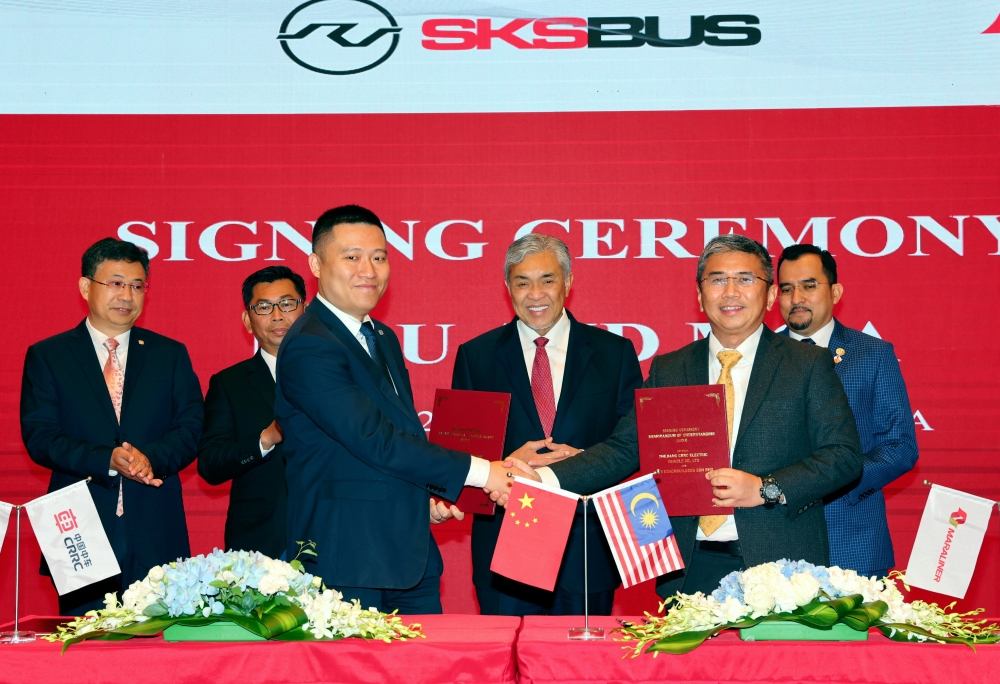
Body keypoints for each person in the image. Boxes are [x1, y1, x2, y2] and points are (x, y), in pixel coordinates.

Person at [505, 234, 863, 598]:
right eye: (718, 280)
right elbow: (623, 448)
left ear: (770, 295)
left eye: (745, 279)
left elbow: (843, 457)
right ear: (699, 295)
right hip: (689, 569)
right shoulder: (671, 369)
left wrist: (765, 488)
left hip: (782, 569)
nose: (730, 292)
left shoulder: (807, 364)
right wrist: (541, 479)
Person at [274, 204, 529, 614]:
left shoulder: (382, 337)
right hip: (348, 562)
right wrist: (484, 472)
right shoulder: (311, 345)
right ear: (316, 265)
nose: (369, 270)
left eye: (379, 257)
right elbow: (375, 440)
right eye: (352, 257)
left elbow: (403, 435)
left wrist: (424, 498)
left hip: (407, 555)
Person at [452, 234, 643, 616]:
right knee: (509, 670)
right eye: (522, 282)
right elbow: (461, 455)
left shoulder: (614, 353)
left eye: (548, 280)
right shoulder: (476, 356)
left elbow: (634, 443)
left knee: (582, 670)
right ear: (508, 288)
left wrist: (583, 460)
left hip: (585, 544)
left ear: (568, 283)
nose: (535, 293)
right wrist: (507, 463)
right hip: (505, 543)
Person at [20, 237, 203, 615]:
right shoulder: (49, 356)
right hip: (78, 525)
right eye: (115, 283)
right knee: (83, 648)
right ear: (86, 287)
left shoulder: (169, 355)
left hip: (154, 522)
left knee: (159, 649)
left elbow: (191, 428)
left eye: (137, 286)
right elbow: (41, 437)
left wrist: (148, 458)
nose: (127, 295)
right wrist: (107, 458)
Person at [776, 244, 917, 578]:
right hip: (773, 539)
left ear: (835, 291)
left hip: (852, 538)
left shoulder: (873, 354)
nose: (797, 297)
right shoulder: (757, 357)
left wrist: (829, 483)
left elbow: (900, 447)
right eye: (786, 288)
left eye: (809, 285)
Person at [198, 266, 307, 558]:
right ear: (248, 320)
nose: (277, 315)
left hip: (335, 533)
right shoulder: (229, 384)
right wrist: (265, 439)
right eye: (263, 307)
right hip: (263, 541)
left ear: (306, 311)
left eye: (287, 304)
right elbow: (210, 464)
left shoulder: (342, 374)